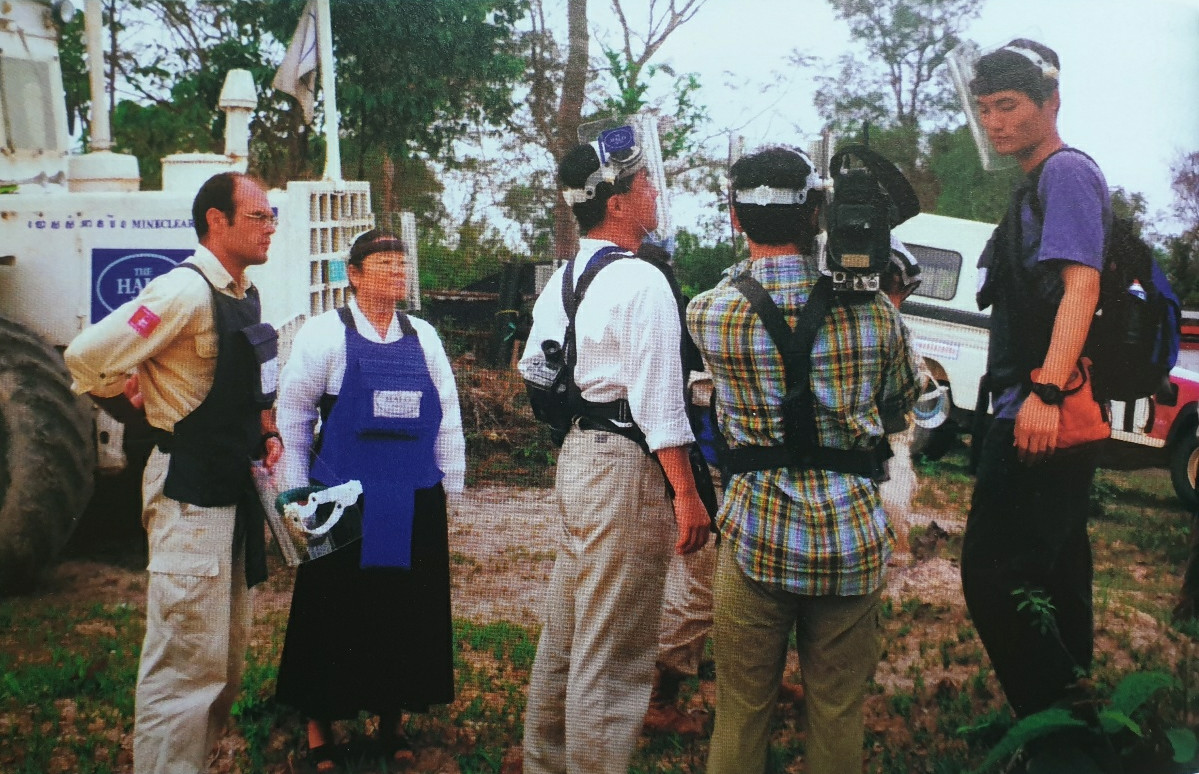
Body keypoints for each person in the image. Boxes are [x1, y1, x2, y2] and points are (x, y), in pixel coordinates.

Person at [688, 146, 919, 774]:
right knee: (838, 712)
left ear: (736, 218)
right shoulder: (876, 314)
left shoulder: (709, 312)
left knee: (740, 712)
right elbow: (901, 406)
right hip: (852, 539)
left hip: (755, 532)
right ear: (816, 212)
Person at [63, 172, 282, 773]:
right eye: (260, 216)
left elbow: (241, 386)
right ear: (218, 221)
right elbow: (85, 358)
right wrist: (131, 402)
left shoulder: (243, 292)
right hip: (188, 496)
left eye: (272, 217)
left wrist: (264, 433)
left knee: (222, 667)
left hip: (230, 493)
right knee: (183, 670)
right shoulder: (180, 294)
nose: (271, 228)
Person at [518, 141, 710, 774]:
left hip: (579, 454)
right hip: (625, 462)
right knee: (617, 647)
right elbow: (660, 402)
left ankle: (546, 761)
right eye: (647, 185)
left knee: (569, 631)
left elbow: (535, 370)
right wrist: (685, 493)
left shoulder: (566, 277)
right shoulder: (642, 279)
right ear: (619, 201)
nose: (655, 194)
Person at [959, 39, 1112, 770]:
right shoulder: (1031, 182)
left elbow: (1081, 285)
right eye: (984, 108)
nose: (993, 121)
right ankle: (1077, 728)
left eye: (1008, 106)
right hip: (1030, 407)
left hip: (1047, 410)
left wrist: (1046, 392)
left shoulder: (1068, 173)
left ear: (1050, 104)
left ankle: (1064, 743)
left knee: (991, 577)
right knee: (1054, 581)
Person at [273, 229, 465, 771]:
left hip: (411, 498)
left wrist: (451, 487)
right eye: (383, 264)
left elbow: (447, 417)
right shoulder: (323, 335)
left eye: (401, 264)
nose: (396, 273)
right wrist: (295, 498)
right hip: (340, 502)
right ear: (354, 275)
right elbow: (293, 414)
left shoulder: (424, 336)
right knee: (331, 611)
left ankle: (392, 719)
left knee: (402, 611)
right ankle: (319, 726)